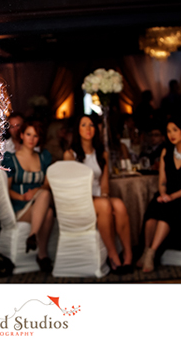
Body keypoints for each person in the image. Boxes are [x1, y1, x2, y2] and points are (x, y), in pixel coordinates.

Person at [63, 115, 134, 273]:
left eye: (91, 125)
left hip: (98, 198)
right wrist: (102, 201)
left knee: (119, 205)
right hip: (80, 200)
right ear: (78, 129)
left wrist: (106, 196)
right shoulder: (70, 154)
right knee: (104, 204)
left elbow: (104, 183)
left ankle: (128, 255)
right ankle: (113, 255)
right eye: (84, 125)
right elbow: (72, 186)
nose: (88, 129)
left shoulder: (102, 154)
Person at [137, 116, 181, 272]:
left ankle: (152, 252)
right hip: (167, 194)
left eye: (175, 130)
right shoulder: (166, 151)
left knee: (167, 212)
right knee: (153, 210)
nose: (171, 134)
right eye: (168, 131)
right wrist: (164, 193)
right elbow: (162, 179)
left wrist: (172, 197)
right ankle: (146, 250)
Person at [2, 120, 55, 273]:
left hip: (39, 202)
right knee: (48, 209)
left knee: (47, 203)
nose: (32, 139)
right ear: (22, 136)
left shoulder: (44, 157)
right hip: (20, 206)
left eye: (36, 136)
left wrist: (35, 192)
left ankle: (35, 241)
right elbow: (6, 190)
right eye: (28, 134)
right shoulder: (10, 158)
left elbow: (46, 184)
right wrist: (22, 197)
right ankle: (42, 254)